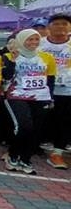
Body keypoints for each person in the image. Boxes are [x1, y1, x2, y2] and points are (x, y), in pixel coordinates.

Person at [1, 29, 56, 175]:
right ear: (21, 40)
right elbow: (6, 76)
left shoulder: (47, 57)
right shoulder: (9, 56)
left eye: (36, 39)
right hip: (17, 95)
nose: (33, 43)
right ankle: (12, 155)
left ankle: (26, 159)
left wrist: (50, 97)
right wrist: (12, 61)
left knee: (36, 130)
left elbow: (50, 79)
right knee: (24, 126)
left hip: (41, 96)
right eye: (29, 40)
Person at [39, 13, 71, 170]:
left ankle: (57, 153)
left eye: (64, 24)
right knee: (39, 120)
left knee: (64, 122)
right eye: (56, 24)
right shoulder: (39, 44)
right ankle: (26, 147)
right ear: (49, 27)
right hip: (40, 89)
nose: (61, 27)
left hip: (67, 90)